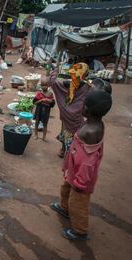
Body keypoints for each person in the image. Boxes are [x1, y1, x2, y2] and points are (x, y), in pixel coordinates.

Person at [51, 90, 112, 241]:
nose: (81, 107)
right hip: (74, 171)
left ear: (88, 109)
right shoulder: (93, 123)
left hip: (81, 177)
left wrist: (81, 182)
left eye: (83, 104)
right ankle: (65, 208)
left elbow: (87, 163)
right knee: (66, 191)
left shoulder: (91, 132)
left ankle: (80, 231)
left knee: (78, 203)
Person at [49, 62, 92, 158]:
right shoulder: (88, 87)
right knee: (74, 135)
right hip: (76, 117)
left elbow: (52, 82)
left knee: (64, 131)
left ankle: (63, 150)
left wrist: (55, 72)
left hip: (65, 115)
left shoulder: (65, 83)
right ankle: (70, 155)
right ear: (85, 74)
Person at [33, 77, 55, 141]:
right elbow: (35, 102)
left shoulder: (50, 94)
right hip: (39, 109)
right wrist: (41, 100)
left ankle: (44, 137)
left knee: (45, 124)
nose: (44, 87)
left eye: (45, 85)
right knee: (37, 122)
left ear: (48, 86)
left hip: (46, 111)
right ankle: (36, 135)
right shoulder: (39, 94)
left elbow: (52, 102)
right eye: (42, 85)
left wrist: (48, 100)